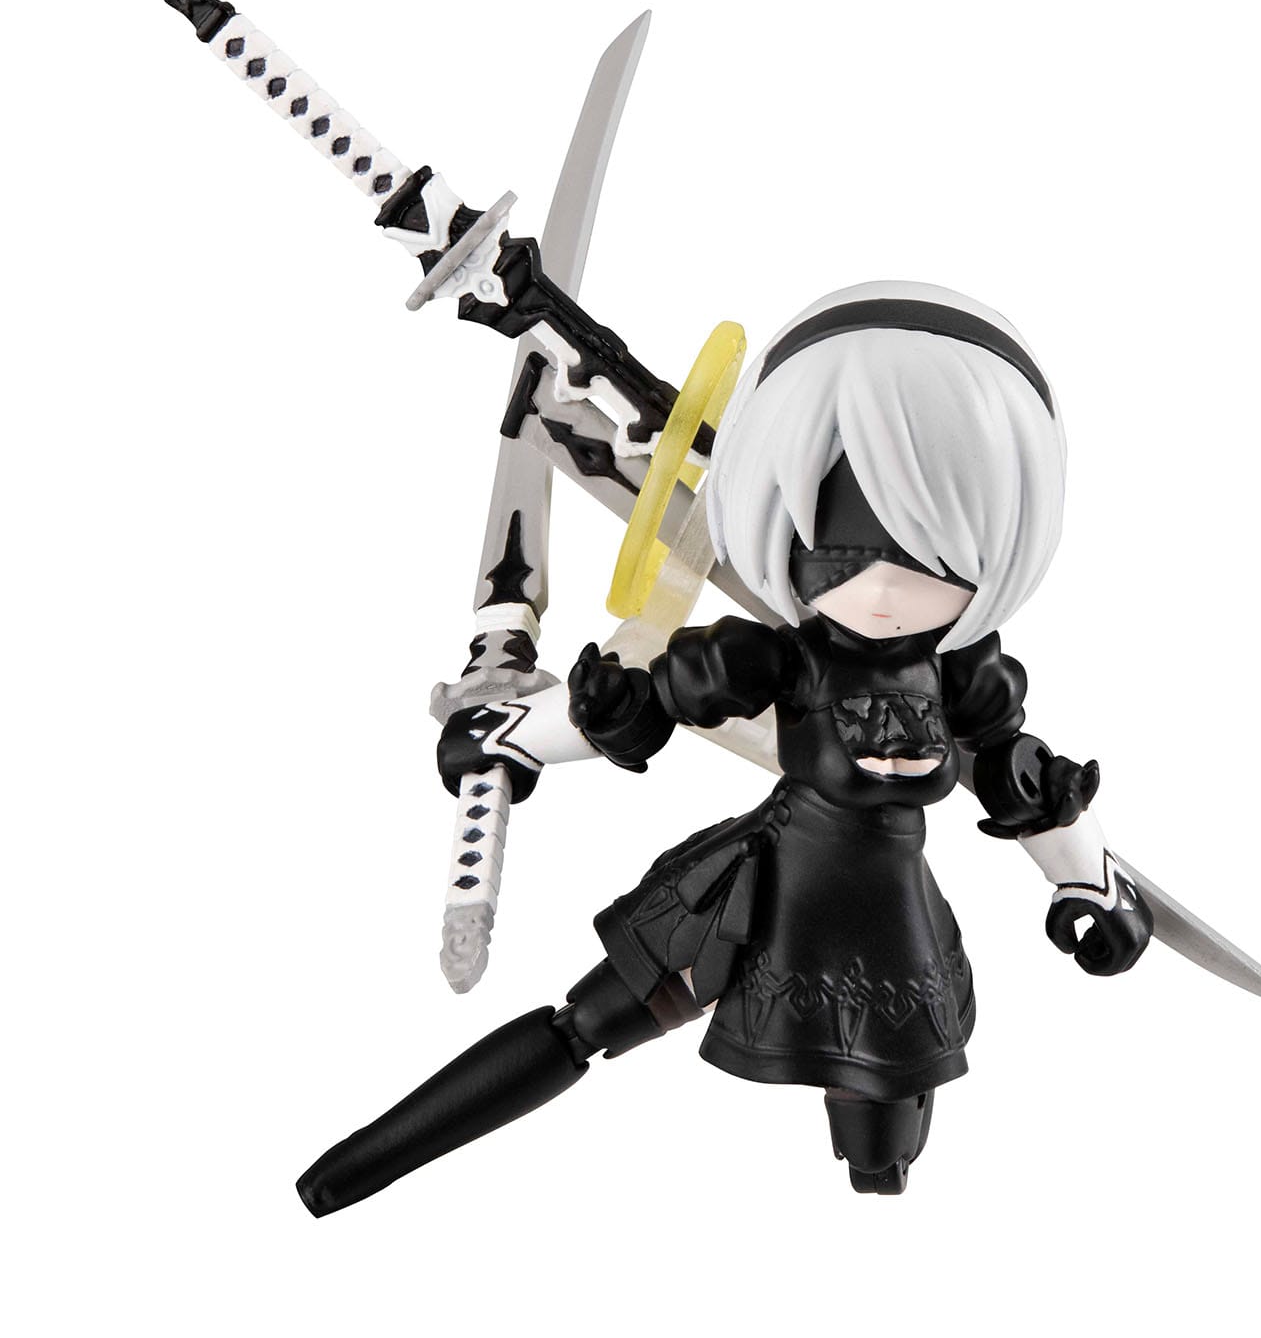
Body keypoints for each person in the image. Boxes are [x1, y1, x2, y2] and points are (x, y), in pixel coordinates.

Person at [296, 282, 1152, 1215]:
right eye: (840, 555)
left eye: (929, 560)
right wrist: (510, 735)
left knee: (882, 1150)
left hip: (889, 921)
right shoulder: (773, 659)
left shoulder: (964, 677)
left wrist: (1089, 884)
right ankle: (355, 1170)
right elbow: (643, 707)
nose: (878, 593)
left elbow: (1021, 779)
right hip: (754, 886)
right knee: (585, 1026)